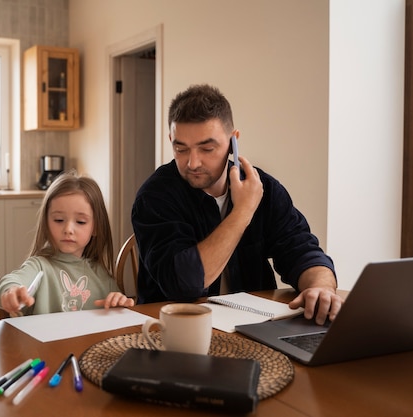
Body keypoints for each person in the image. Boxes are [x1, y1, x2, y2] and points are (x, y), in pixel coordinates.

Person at [131, 84, 343, 325]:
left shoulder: (265, 188)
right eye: (181, 148)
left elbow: (302, 251)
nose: (192, 162)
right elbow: (185, 283)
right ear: (171, 140)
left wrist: (321, 287)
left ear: (233, 141)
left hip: (254, 327)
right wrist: (242, 211)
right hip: (173, 331)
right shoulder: (155, 197)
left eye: (207, 148)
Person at [0, 171, 134, 315]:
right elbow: (10, 282)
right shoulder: (39, 266)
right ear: (46, 223)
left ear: (96, 227)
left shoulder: (101, 274)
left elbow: (118, 310)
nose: (68, 229)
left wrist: (119, 303)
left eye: (80, 222)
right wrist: (11, 291)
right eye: (59, 220)